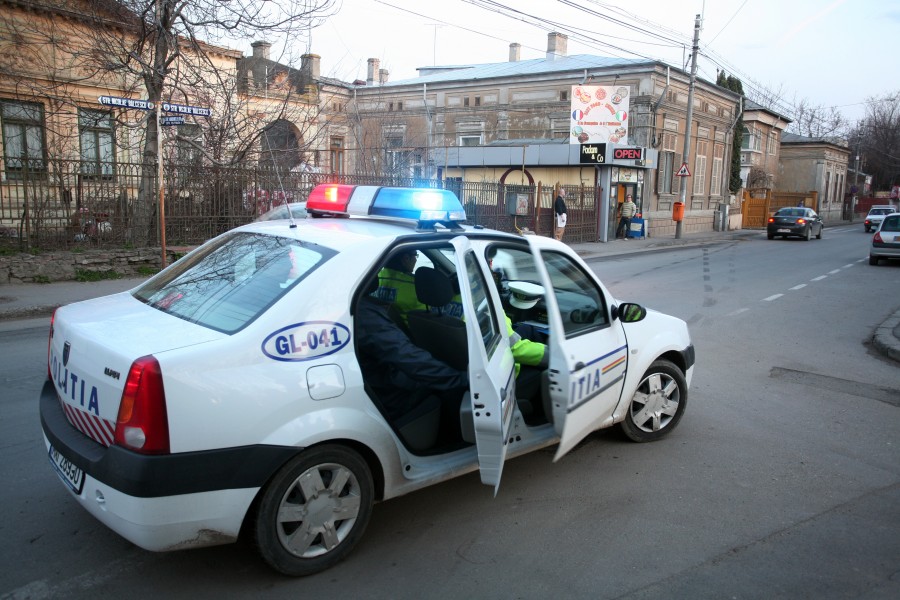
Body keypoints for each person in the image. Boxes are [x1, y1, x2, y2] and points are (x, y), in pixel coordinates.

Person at [356, 286, 468, 443]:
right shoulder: (365, 314)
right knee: (452, 390)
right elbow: (406, 356)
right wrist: (459, 379)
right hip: (388, 393)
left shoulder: (356, 305)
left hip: (374, 382)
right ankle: (454, 443)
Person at [375, 248, 424, 325]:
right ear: (406, 258)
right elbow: (425, 318)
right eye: (415, 255)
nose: (416, 260)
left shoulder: (373, 279)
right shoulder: (418, 285)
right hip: (406, 334)